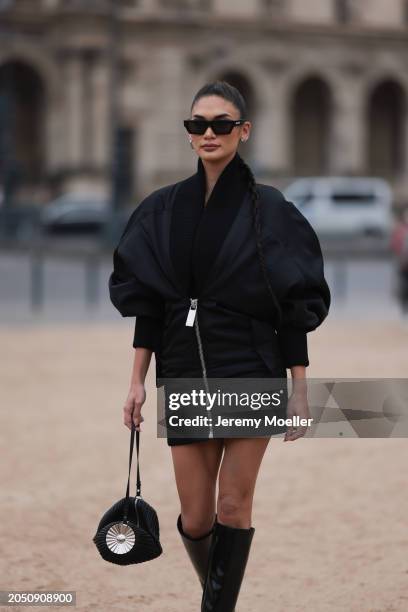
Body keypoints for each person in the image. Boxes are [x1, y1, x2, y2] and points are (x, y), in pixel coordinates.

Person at [109, 81, 331, 612]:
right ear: (188, 136)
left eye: (221, 124)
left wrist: (300, 390)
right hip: (183, 368)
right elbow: (149, 306)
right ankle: (221, 597)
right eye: (198, 125)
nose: (209, 134)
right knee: (196, 517)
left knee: (234, 505)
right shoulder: (161, 210)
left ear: (243, 131)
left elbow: (293, 307)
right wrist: (137, 380)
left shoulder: (272, 211)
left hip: (251, 365)